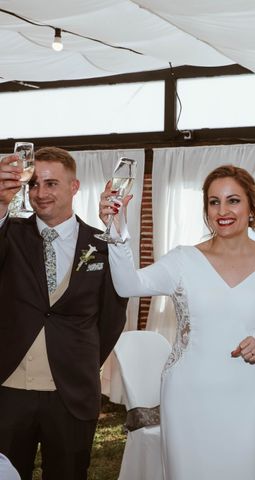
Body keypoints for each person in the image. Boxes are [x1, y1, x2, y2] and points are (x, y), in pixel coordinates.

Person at [100, 164, 255, 479]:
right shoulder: (182, 260)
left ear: (251, 208)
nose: (223, 210)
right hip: (187, 393)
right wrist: (118, 230)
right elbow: (127, 285)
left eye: (233, 200)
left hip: (247, 394)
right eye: (214, 201)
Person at [0, 148, 127, 480]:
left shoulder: (102, 243)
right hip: (9, 390)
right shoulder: (9, 233)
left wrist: (80, 360)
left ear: (74, 186)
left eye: (52, 183)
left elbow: (113, 318)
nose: (41, 194)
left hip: (71, 394)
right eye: (35, 184)